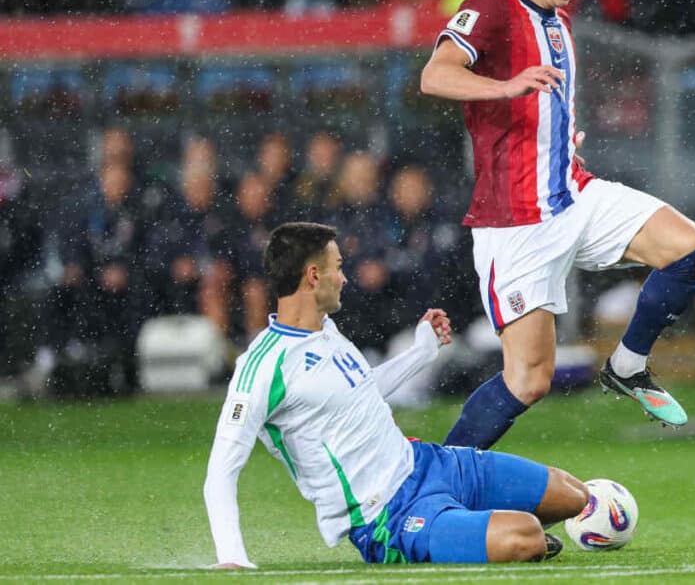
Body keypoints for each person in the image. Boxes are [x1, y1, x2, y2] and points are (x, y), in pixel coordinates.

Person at [419, 0, 695, 448]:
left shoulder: (558, 22)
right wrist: (504, 86)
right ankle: (435, 481)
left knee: (692, 249)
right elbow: (435, 76)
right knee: (529, 380)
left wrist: (561, 137)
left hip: (572, 193)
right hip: (516, 220)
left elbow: (543, 109)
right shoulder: (491, 5)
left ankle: (627, 366)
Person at [203, 222, 586, 567]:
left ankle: (466, 525)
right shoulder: (263, 366)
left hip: (428, 463)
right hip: (389, 516)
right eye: (338, 267)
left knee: (573, 496)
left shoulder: (326, 331)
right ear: (313, 275)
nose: (344, 278)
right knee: (526, 536)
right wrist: (232, 558)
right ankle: (468, 529)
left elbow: (361, 392)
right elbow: (222, 465)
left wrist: (421, 352)